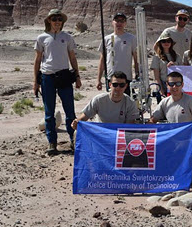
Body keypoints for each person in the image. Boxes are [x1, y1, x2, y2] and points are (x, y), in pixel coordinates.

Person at [33, 9, 82, 155]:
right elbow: (37, 60)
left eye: (59, 19)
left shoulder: (66, 37)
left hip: (64, 76)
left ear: (62, 21)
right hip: (47, 77)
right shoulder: (42, 38)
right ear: (49, 20)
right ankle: (52, 142)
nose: (56, 21)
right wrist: (35, 81)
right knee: (49, 112)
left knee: (70, 111)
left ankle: (73, 139)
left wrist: (78, 76)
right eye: (54, 19)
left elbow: (72, 58)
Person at [149, 71, 192, 165]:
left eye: (178, 84)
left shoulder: (191, 101)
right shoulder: (164, 103)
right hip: (172, 140)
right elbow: (152, 121)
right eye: (171, 84)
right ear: (167, 85)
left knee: (180, 149)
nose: (175, 87)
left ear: (182, 85)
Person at [72, 71, 139, 129]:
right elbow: (84, 117)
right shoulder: (99, 100)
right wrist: (77, 123)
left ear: (126, 86)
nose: (118, 88)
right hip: (101, 134)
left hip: (120, 135)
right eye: (115, 85)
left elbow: (129, 126)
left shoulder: (130, 103)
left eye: (121, 85)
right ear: (110, 85)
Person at [96, 12, 138, 95]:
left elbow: (136, 59)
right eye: (117, 21)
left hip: (126, 78)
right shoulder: (107, 39)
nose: (119, 23)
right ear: (113, 22)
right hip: (111, 78)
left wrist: (137, 74)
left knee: (127, 102)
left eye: (122, 21)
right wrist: (98, 79)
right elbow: (102, 60)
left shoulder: (131, 38)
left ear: (125, 23)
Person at [151, 32, 182, 97]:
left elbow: (182, 72)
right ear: (160, 43)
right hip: (163, 86)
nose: (166, 43)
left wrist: (175, 65)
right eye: (163, 41)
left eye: (168, 41)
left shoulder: (177, 57)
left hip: (176, 86)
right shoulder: (156, 58)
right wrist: (161, 90)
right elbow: (157, 77)